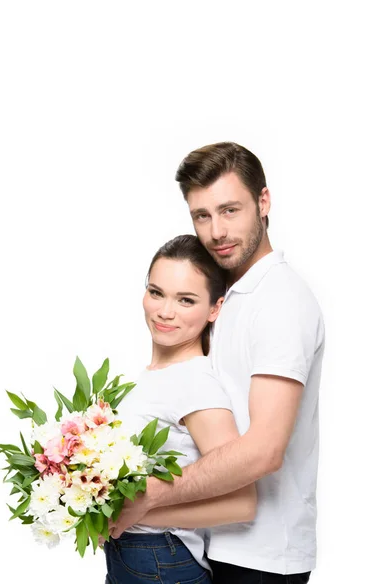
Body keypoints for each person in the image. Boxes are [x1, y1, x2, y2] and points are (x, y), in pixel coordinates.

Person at [110, 142, 325, 583]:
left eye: (230, 210)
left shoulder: (280, 302)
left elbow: (264, 450)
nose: (216, 232)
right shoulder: (231, 292)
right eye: (201, 215)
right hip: (214, 544)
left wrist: (151, 497)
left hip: (263, 557)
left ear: (263, 202)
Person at [104, 234, 257, 584]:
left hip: (161, 558)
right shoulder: (154, 377)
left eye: (186, 300)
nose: (165, 311)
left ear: (215, 309)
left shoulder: (196, 382)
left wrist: (141, 515)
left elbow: (242, 504)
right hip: (135, 557)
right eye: (156, 292)